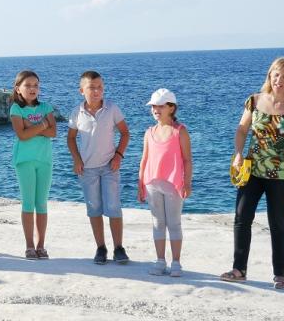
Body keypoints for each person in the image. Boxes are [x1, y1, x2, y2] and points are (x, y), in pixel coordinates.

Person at [220, 57, 284, 290]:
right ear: (270, 75)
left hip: (282, 175)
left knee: (278, 223)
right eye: (276, 74)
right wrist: (238, 154)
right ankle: (239, 269)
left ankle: (280, 275)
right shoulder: (254, 101)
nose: (280, 80)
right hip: (252, 170)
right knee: (242, 217)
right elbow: (242, 130)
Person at [66, 70, 131, 265]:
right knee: (93, 208)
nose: (96, 91)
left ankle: (119, 248)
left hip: (110, 167)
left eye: (100, 87)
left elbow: (125, 133)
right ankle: (101, 248)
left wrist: (118, 155)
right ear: (82, 90)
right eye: (91, 88)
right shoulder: (77, 112)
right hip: (87, 170)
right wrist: (77, 160)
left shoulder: (112, 109)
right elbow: (71, 138)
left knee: (113, 207)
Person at [137, 88, 193, 277]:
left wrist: (187, 183)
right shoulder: (149, 132)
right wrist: (140, 183)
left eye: (160, 106)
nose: (156, 109)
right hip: (152, 183)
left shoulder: (180, 131)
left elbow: (187, 159)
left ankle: (176, 263)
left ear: (171, 108)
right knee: (158, 223)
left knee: (174, 223)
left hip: (173, 184)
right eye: (153, 106)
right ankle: (160, 261)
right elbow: (144, 159)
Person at [9, 70, 56, 260]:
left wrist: (31, 126)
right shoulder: (16, 109)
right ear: (18, 89)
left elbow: (53, 132)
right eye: (27, 85)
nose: (32, 88)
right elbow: (22, 135)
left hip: (45, 160)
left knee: (41, 203)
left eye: (36, 85)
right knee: (28, 202)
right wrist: (43, 125)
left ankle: (41, 245)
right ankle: (29, 246)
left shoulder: (46, 107)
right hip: (24, 160)